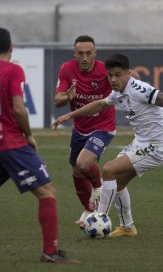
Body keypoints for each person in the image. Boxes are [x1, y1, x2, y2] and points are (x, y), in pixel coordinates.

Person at [0, 27, 78, 264]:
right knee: (47, 192)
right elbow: (18, 107)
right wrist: (28, 134)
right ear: (11, 48)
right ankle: (49, 251)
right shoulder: (13, 70)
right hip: (12, 141)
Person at [52, 53, 163, 237]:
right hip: (140, 143)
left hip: (156, 146)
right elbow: (100, 104)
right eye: (110, 75)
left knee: (108, 170)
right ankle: (127, 227)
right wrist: (70, 115)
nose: (113, 79)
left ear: (128, 73)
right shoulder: (117, 92)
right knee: (117, 183)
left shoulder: (139, 89)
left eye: (118, 75)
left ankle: (98, 218)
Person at [54, 35, 116, 226]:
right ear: (75, 53)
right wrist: (67, 97)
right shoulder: (67, 68)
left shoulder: (105, 69)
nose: (84, 58)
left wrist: (132, 78)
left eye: (89, 53)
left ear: (95, 53)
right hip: (80, 128)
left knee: (83, 164)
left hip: (103, 126)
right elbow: (58, 101)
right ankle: (89, 210)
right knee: (76, 171)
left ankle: (98, 186)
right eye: (80, 53)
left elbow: (126, 80)